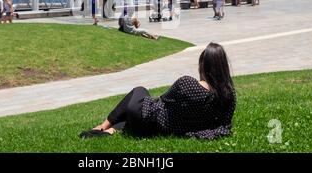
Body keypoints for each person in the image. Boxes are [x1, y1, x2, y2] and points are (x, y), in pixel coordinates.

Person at [80, 43, 236, 139]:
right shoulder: (228, 95)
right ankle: (112, 131)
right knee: (138, 113)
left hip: (147, 120)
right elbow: (225, 123)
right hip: (157, 130)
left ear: (203, 66)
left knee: (139, 91)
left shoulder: (188, 84)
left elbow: (163, 99)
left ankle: (103, 126)